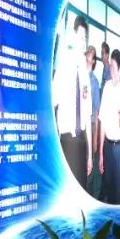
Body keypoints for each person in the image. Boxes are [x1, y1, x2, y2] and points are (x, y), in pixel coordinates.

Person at [52, 14, 92, 189]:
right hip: (67, 141)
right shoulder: (63, 66)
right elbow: (52, 104)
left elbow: (87, 114)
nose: (83, 42)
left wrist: (90, 155)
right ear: (73, 37)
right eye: (80, 37)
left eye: (85, 38)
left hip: (81, 140)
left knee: (82, 190)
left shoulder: (84, 73)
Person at [98, 50, 120, 205]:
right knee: (109, 189)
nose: (110, 69)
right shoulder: (107, 87)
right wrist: (101, 153)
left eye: (113, 66)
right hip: (108, 146)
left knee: (119, 191)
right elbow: (102, 120)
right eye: (109, 66)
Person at [85, 46, 103, 200]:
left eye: (91, 53)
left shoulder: (94, 82)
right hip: (79, 129)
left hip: (90, 127)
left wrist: (96, 137)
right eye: (88, 52)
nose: (88, 55)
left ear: (93, 61)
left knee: (90, 163)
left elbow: (96, 112)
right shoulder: (79, 76)